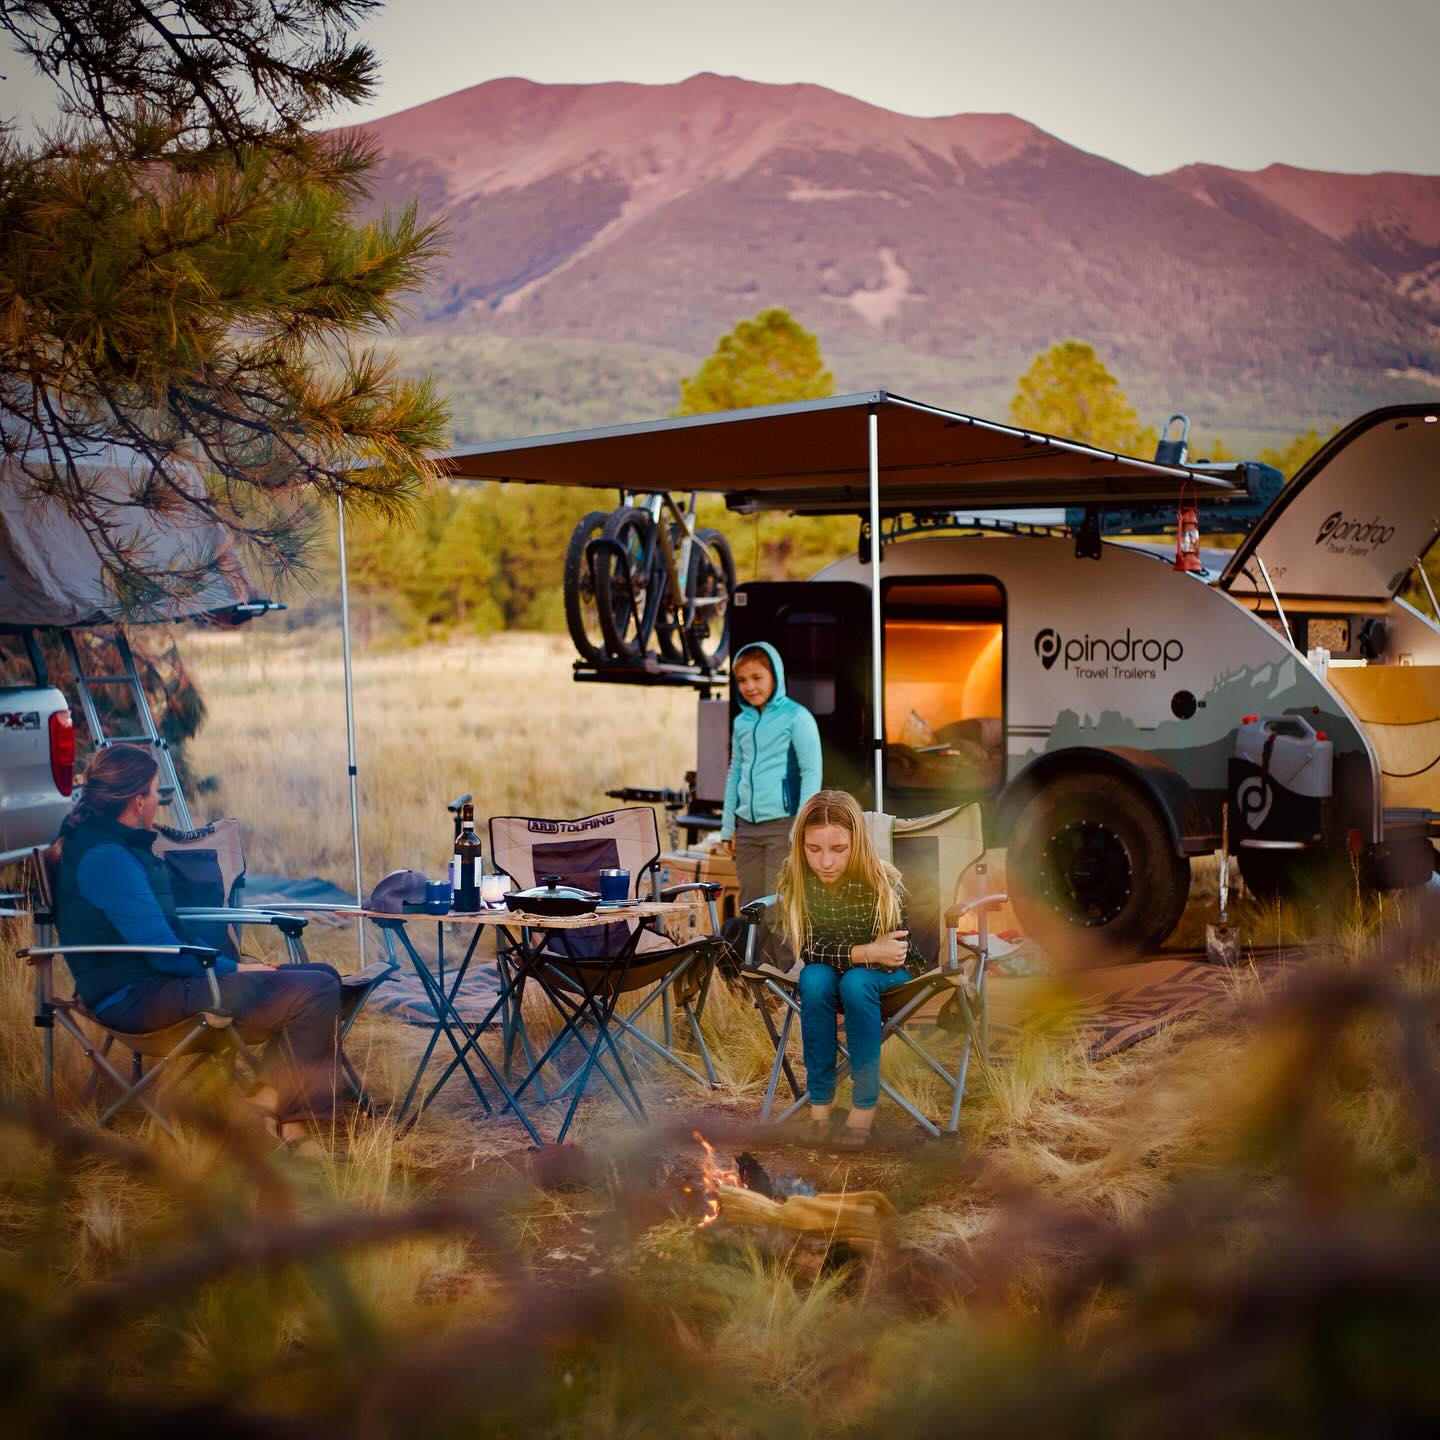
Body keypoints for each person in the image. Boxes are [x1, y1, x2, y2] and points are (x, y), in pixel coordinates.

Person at [52, 744, 342, 1151]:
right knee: (317, 991)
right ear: (137, 801)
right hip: (136, 999)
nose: (158, 801)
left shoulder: (114, 846)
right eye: (155, 792)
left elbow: (161, 938)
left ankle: (271, 1099)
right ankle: (291, 1124)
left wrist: (230, 965)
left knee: (322, 976)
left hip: (157, 983)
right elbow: (159, 950)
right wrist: (237, 970)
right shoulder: (106, 859)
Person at [777, 789, 927, 1149]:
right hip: (834, 975)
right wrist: (868, 950)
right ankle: (820, 1107)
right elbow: (811, 950)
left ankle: (863, 1109)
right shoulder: (799, 880)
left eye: (838, 849)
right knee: (812, 978)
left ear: (856, 843)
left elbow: (893, 953)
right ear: (801, 846)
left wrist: (867, 955)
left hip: (893, 978)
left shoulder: (881, 882)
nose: (825, 861)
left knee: (856, 982)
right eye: (814, 850)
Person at [716, 642, 822, 906]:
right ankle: (754, 950)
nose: (749, 687)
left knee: (779, 906)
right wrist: (728, 827)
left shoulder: (797, 717)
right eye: (741, 680)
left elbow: (811, 772)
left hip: (782, 826)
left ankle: (781, 951)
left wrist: (801, 825)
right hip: (747, 828)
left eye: (757, 678)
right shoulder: (742, 722)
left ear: (775, 676)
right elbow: (735, 773)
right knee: (750, 905)